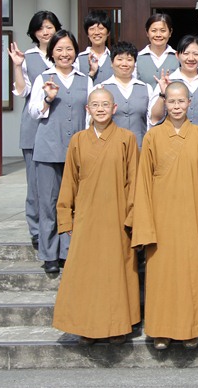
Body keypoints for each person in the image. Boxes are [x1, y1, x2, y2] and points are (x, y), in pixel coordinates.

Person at [128, 81, 198, 351]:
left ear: (190, 103)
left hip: (192, 218)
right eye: (172, 101)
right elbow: (143, 184)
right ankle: (161, 330)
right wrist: (145, 224)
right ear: (164, 103)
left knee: (192, 275)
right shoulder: (152, 137)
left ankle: (192, 329)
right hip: (162, 219)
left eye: (181, 101)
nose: (177, 106)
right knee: (162, 276)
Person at [52, 88, 140, 345]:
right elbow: (69, 181)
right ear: (87, 109)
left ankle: (118, 325)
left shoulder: (126, 139)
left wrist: (132, 217)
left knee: (116, 272)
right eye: (95, 105)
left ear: (114, 109)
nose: (100, 109)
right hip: (87, 216)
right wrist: (66, 217)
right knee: (87, 272)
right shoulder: (78, 140)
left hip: (117, 216)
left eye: (105, 105)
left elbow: (134, 182)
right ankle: (86, 326)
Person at [29, 30, 93, 274]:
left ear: (75, 52)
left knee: (73, 202)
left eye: (69, 49)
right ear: (51, 53)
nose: (64, 54)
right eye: (59, 49)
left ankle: (68, 250)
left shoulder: (85, 80)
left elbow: (90, 115)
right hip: (48, 149)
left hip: (76, 150)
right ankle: (49, 254)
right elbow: (33, 112)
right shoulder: (43, 78)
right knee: (49, 202)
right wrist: (47, 99)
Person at [7, 10, 60, 251]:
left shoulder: (65, 53)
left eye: (49, 27)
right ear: (34, 32)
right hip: (35, 127)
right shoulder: (27, 57)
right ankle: (37, 230)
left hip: (61, 126)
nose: (45, 32)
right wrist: (18, 67)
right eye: (40, 28)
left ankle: (59, 228)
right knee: (36, 184)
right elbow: (22, 91)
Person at [150, 35, 198, 134]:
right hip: (172, 140)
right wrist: (162, 94)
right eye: (186, 53)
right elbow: (155, 118)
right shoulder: (166, 82)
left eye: (196, 54)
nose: (191, 58)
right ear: (177, 55)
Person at [98, 41, 156, 148]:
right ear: (112, 62)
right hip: (110, 148)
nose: (124, 64)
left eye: (129, 60)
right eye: (120, 59)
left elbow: (151, 121)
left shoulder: (146, 88)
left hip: (139, 148)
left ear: (135, 63)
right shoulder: (101, 88)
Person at [135, 13, 179, 88]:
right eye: (154, 31)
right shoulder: (137, 58)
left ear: (170, 32)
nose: (158, 35)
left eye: (163, 31)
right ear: (147, 32)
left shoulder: (178, 57)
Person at [76, 10, 114, 85]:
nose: (96, 32)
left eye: (101, 28)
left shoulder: (114, 58)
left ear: (108, 32)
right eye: (92, 29)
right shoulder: (79, 59)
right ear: (87, 33)